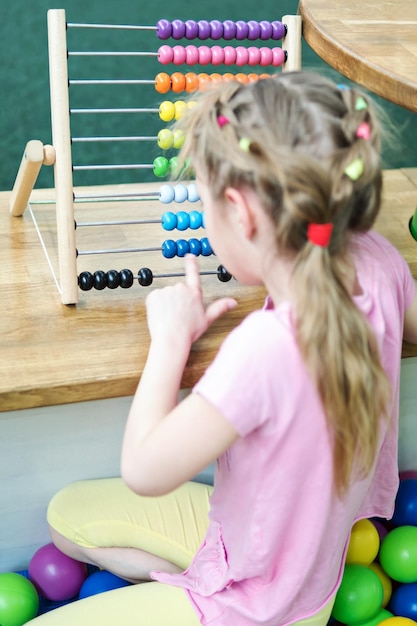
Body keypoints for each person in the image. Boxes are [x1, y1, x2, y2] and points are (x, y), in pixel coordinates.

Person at [28, 71, 417, 626]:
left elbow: (144, 469)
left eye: (206, 202)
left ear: (242, 212)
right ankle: (189, 584)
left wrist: (169, 343)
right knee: (66, 518)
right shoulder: (379, 260)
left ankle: (203, 604)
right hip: (290, 561)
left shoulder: (264, 350)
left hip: (265, 607)